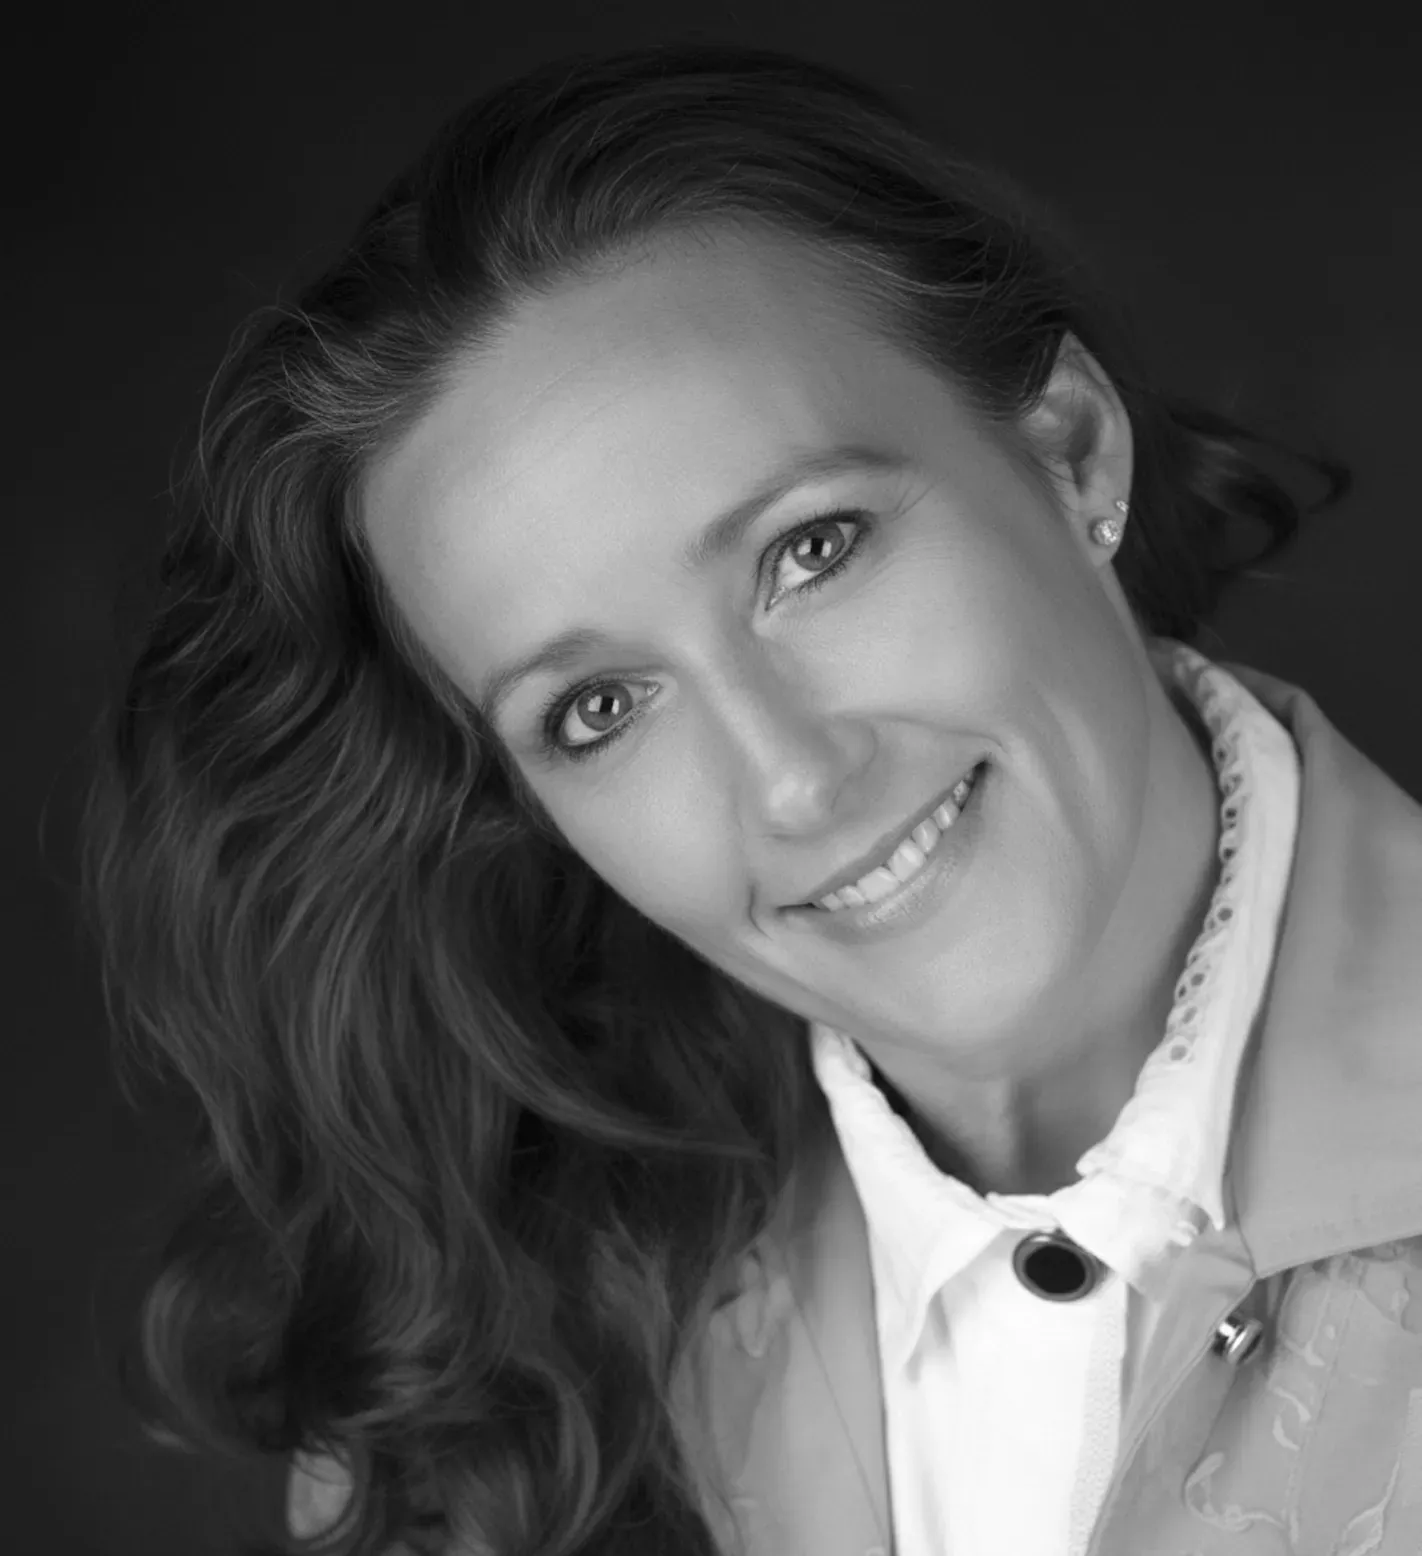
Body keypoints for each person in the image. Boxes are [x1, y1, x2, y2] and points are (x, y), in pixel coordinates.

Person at [75, 37, 1422, 1556]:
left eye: (812, 550)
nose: (792, 778)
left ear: (1066, 449)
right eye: (596, 709)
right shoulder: (481, 1389)